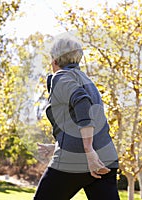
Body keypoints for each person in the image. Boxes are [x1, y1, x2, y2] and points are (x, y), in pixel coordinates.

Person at [33, 35, 120, 200]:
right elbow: (79, 120)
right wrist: (58, 145)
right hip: (106, 158)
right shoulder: (87, 81)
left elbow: (81, 103)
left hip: (77, 159)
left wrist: (89, 151)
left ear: (55, 59)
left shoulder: (60, 76)